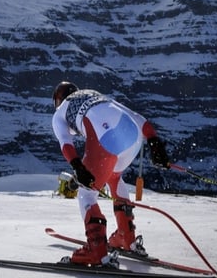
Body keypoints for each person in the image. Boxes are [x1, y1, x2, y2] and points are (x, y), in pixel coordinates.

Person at [51, 81, 170, 266]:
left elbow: (66, 142)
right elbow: (137, 118)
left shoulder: (60, 113)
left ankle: (96, 250)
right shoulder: (92, 93)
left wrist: (77, 166)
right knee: (114, 177)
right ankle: (126, 236)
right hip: (133, 138)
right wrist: (154, 142)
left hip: (106, 139)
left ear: (58, 100)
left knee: (86, 193)